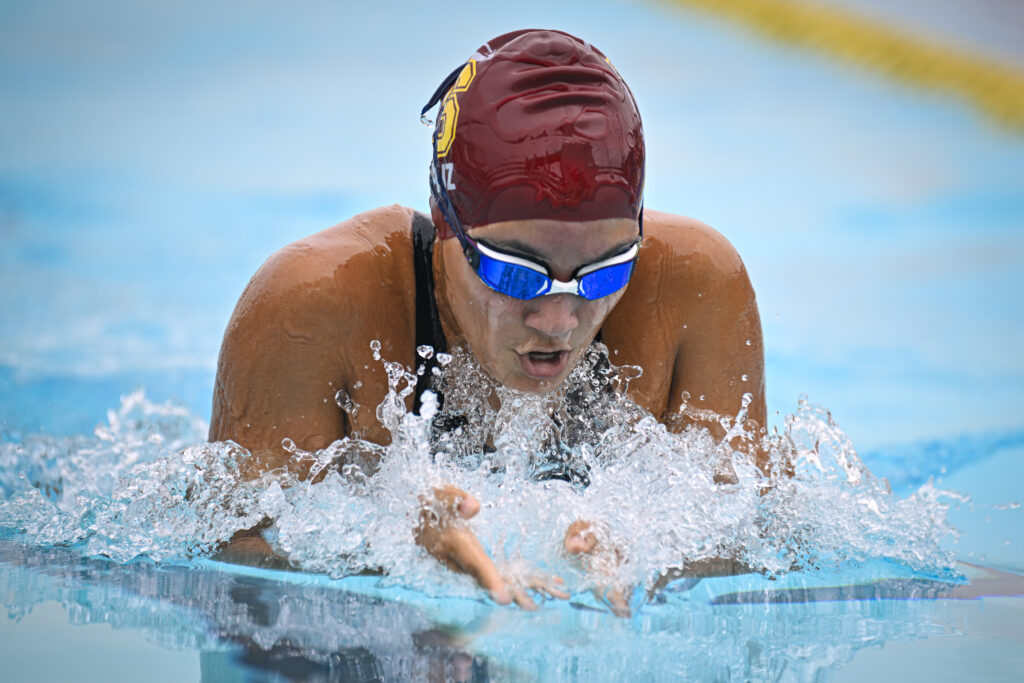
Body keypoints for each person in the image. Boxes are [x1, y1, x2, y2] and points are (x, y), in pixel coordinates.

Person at [210, 29, 765, 609]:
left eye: (603, 273)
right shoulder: (314, 304)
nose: (557, 321)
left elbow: (754, 542)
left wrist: (655, 551)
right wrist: (387, 548)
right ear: (444, 217)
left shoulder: (694, 289)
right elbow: (231, 571)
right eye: (517, 272)